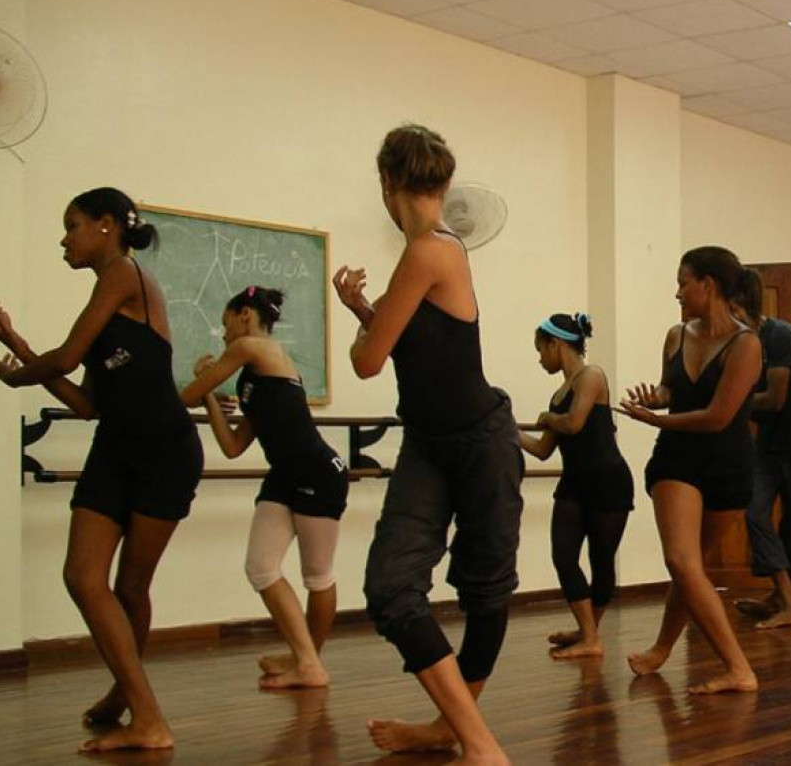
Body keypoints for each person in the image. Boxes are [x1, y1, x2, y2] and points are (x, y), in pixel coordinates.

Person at [0, 187, 203, 752]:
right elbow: (86, 402)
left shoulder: (124, 275)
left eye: (71, 225)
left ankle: (140, 711)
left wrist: (18, 372)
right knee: (82, 575)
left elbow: (66, 356)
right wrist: (17, 343)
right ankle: (132, 700)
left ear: (107, 225)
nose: (64, 238)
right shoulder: (110, 300)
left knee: (131, 585)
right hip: (116, 446)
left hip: (163, 448)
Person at [336, 125, 522, 764]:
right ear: (442, 184)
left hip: (479, 442)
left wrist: (366, 330)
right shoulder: (423, 258)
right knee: (391, 588)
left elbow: (367, 362)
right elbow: (410, 341)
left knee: (485, 589)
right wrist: (367, 311)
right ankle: (467, 735)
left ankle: (470, 740)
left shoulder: (428, 252)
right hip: (429, 443)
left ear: (388, 184)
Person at [179, 286, 347, 690]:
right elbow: (233, 446)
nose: (223, 336)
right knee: (261, 567)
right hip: (283, 475)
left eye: (225, 324)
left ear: (245, 315)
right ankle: (304, 659)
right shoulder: (252, 378)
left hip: (317, 472)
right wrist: (209, 400)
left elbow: (184, 394)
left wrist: (200, 386)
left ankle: (308, 662)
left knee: (317, 575)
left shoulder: (255, 348)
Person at [618, 246, 760, 694]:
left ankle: (662, 648)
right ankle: (739, 667)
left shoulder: (747, 344)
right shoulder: (676, 335)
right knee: (682, 560)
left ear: (708, 285)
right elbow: (672, 388)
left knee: (690, 568)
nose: (677, 292)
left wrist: (655, 418)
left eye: (683, 283)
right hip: (677, 460)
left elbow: (718, 416)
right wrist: (656, 397)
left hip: (727, 464)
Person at [517, 312, 634, 660]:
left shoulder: (592, 375)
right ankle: (588, 632)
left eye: (541, 350)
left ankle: (590, 636)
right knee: (564, 555)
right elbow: (542, 450)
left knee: (600, 561)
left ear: (556, 344)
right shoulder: (557, 395)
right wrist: (509, 431)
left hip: (608, 482)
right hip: (574, 484)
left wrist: (547, 419)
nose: (540, 359)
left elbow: (573, 423)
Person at [730, 270, 791, 630]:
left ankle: (786, 600)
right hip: (767, 447)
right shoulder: (743, 342)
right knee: (755, 514)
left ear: (735, 304)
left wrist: (729, 401)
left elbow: (776, 398)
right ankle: (784, 597)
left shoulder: (779, 336)